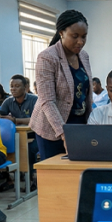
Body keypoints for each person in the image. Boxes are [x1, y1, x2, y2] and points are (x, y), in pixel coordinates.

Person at [29, 9, 92, 160]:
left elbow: (85, 93)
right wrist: (64, 133)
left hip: (79, 125)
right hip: (51, 129)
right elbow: (47, 101)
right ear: (61, 33)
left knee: (79, 173)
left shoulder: (84, 56)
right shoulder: (47, 57)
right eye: (75, 36)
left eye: (84, 37)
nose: (80, 42)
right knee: (55, 176)